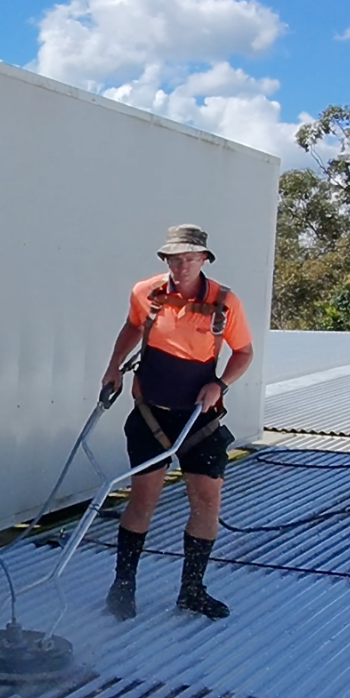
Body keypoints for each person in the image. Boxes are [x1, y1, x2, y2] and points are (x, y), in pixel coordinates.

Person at [100, 224, 254, 621]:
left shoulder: (225, 302)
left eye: (189, 258)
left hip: (200, 420)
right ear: (165, 259)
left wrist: (220, 384)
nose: (181, 266)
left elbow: (244, 351)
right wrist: (114, 368)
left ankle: (192, 591)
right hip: (152, 414)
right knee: (142, 500)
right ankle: (123, 587)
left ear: (203, 259)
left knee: (206, 502)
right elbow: (133, 326)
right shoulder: (146, 293)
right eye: (174, 258)